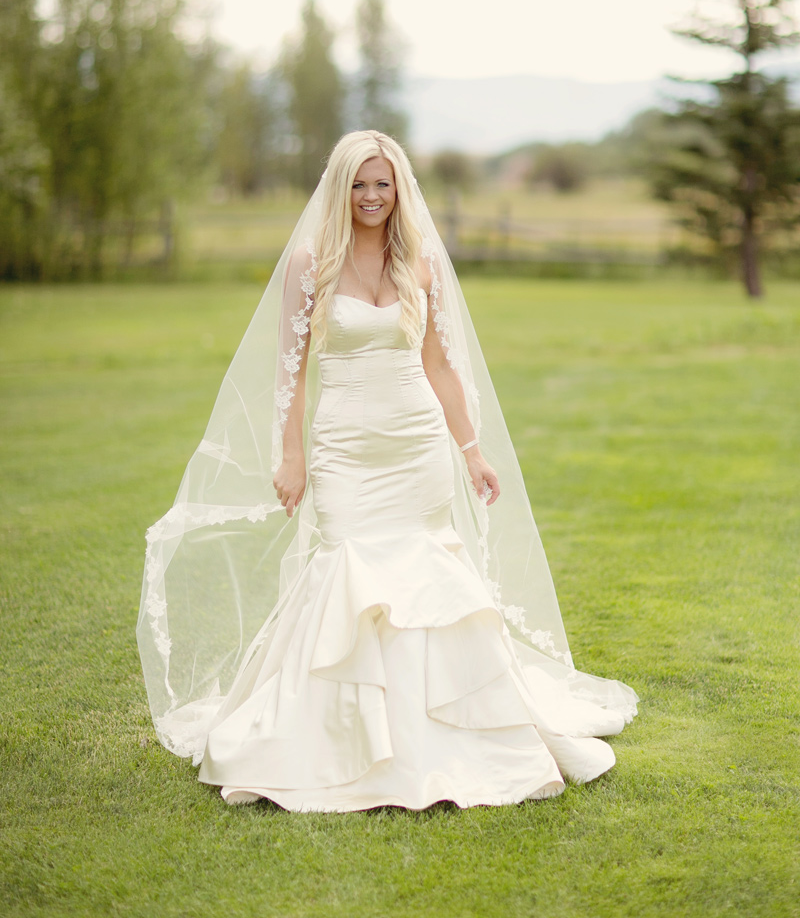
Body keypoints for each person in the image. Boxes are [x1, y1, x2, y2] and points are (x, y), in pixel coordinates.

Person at [137, 131, 638, 810]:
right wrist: (292, 456)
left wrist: (471, 451)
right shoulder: (309, 264)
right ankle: (337, 741)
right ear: (339, 188)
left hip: (416, 444)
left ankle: (440, 741)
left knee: (426, 572)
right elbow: (291, 373)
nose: (372, 197)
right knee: (348, 566)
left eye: (383, 184)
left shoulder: (420, 260)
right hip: (346, 446)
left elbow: (439, 366)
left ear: (399, 188)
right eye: (358, 184)